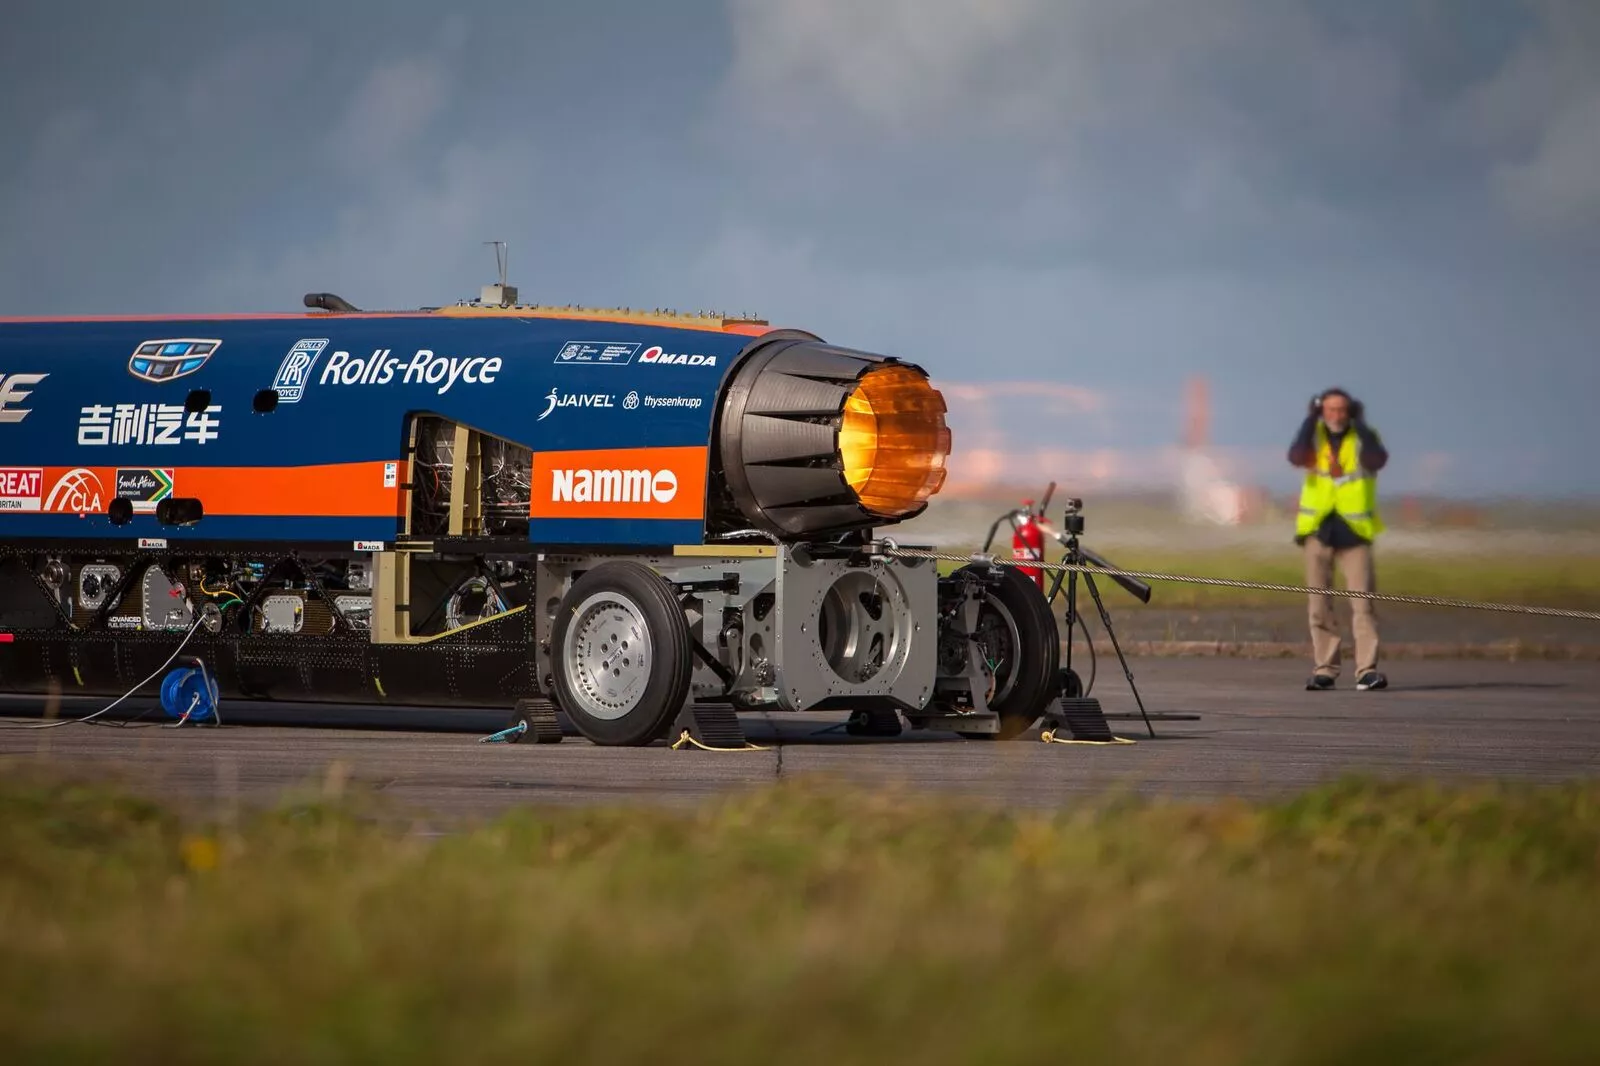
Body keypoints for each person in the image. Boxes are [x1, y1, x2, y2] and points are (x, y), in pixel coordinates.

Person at [1288, 388, 1389, 691]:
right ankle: (1325, 669)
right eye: (1329, 410)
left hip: (1354, 533)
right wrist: (1310, 418)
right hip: (1318, 530)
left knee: (1363, 605)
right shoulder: (1313, 436)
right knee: (1319, 605)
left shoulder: (1363, 437)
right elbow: (1297, 457)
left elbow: (1376, 459)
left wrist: (1360, 423)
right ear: (1321, 411)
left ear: (1351, 411)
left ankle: (1366, 670)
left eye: (1341, 410)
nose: (1335, 416)